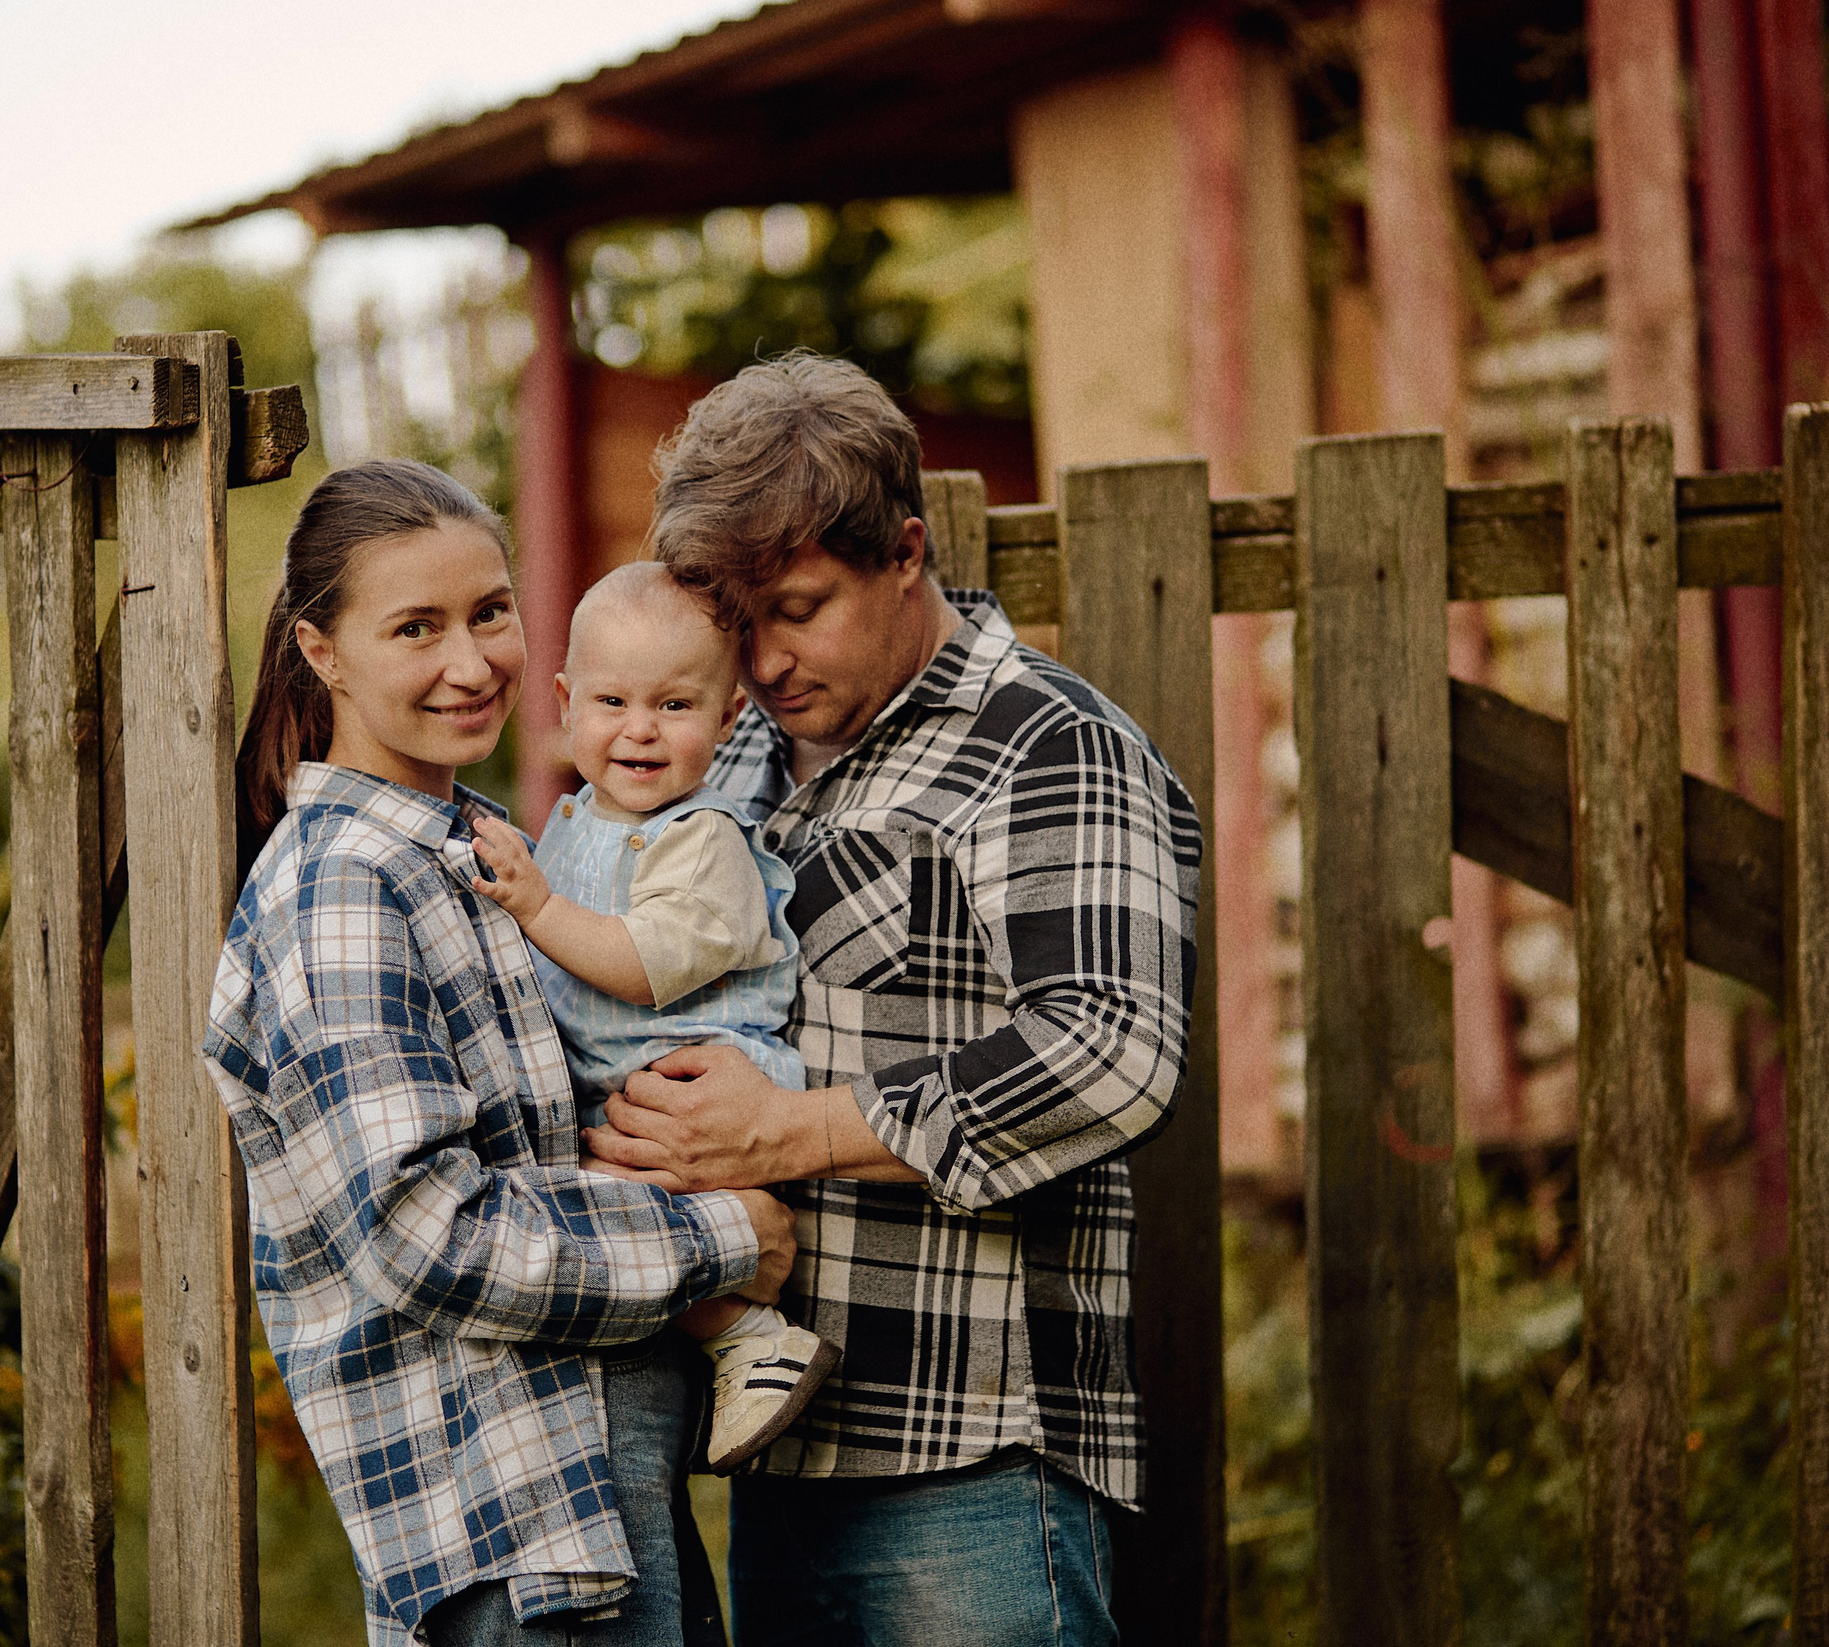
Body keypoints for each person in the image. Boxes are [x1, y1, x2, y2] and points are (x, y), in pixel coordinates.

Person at [588, 356, 1202, 1647]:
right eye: (737, 622)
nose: (761, 659)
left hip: (972, 1451)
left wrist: (786, 1131)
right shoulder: (740, 747)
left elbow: (1111, 1048)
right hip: (779, 1442)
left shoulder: (1047, 743)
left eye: (800, 608)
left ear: (906, 551)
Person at [201, 460, 794, 1647]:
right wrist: (731, 1233)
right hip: (510, 1535)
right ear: (322, 652)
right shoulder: (343, 890)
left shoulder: (483, 851)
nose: (472, 662)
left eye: (489, 611)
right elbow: (427, 1234)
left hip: (588, 1504)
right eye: (415, 626)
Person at [467, 562, 839, 1475]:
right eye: (612, 701)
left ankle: (750, 1337)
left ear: (728, 719)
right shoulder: (577, 817)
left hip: (694, 1088)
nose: (639, 729)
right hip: (621, 1087)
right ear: (564, 703)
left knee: (636, 1209)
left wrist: (536, 909)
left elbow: (637, 966)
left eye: (675, 707)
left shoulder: (702, 838)